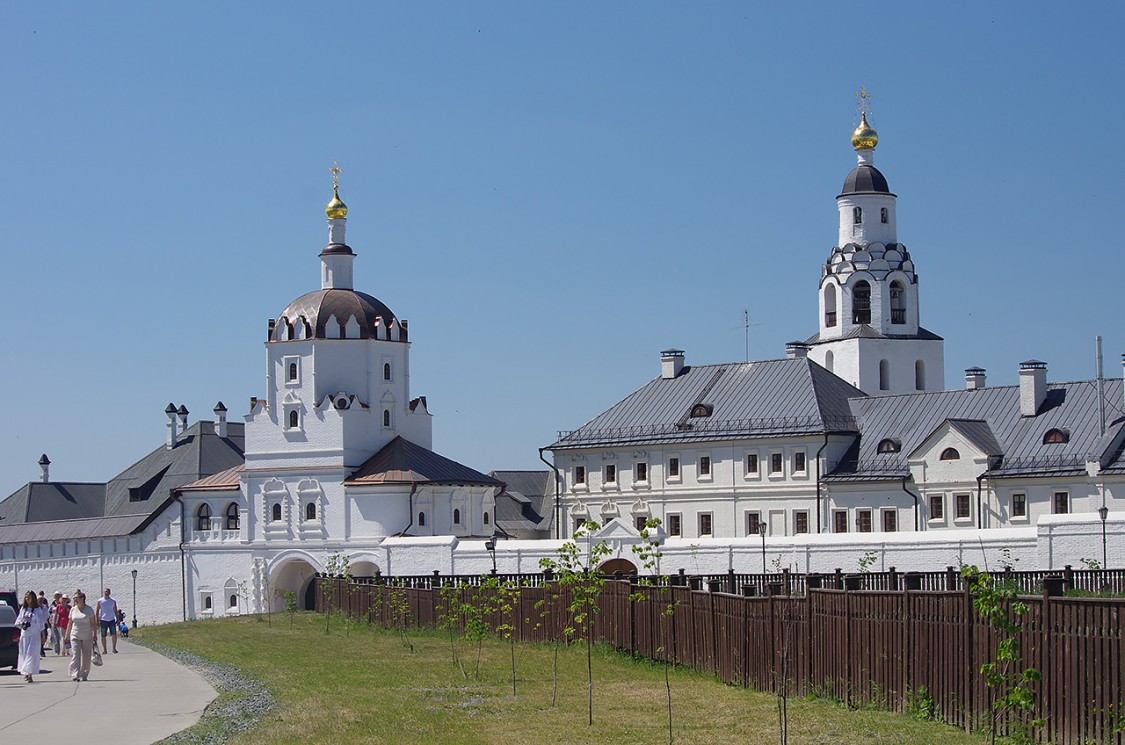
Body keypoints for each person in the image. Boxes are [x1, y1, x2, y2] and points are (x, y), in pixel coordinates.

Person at [16, 591, 47, 683]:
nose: (27, 599)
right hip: (25, 634)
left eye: (29, 597)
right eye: (26, 597)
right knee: (24, 653)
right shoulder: (23, 609)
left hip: (34, 634)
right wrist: (21, 623)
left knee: (32, 654)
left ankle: (30, 673)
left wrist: (43, 636)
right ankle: (25, 672)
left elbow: (42, 625)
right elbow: (18, 621)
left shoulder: (38, 610)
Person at [66, 591, 97, 682]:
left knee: (86, 656)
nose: (75, 600)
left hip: (87, 635)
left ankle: (84, 674)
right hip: (75, 635)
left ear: (82, 599)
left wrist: (95, 634)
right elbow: (70, 623)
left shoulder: (89, 610)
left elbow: (93, 623)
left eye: (76, 598)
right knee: (76, 655)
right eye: (74, 598)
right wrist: (67, 635)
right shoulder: (73, 610)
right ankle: (75, 674)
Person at [95, 588, 119, 654]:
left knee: (114, 634)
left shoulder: (113, 601)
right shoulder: (100, 601)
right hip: (103, 620)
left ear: (110, 593)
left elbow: (115, 610)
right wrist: (97, 621)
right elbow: (97, 611)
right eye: (105, 592)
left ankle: (114, 648)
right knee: (103, 635)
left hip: (111, 619)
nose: (106, 593)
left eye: (108, 592)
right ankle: (105, 649)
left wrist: (117, 619)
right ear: (103, 593)